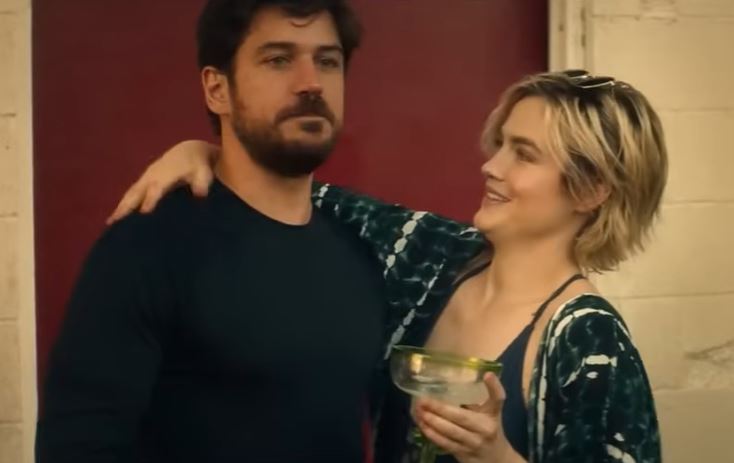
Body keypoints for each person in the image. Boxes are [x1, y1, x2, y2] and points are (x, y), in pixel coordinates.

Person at [111, 70, 667, 463]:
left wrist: (496, 456)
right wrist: (206, 153)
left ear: (591, 189)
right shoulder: (434, 255)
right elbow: (305, 198)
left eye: (523, 154)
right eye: (500, 144)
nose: (491, 165)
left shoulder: (592, 344)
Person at [36, 1, 388, 462]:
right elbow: (75, 449)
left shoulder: (358, 255)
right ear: (217, 89)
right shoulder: (145, 248)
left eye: (327, 61)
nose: (311, 82)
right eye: (278, 59)